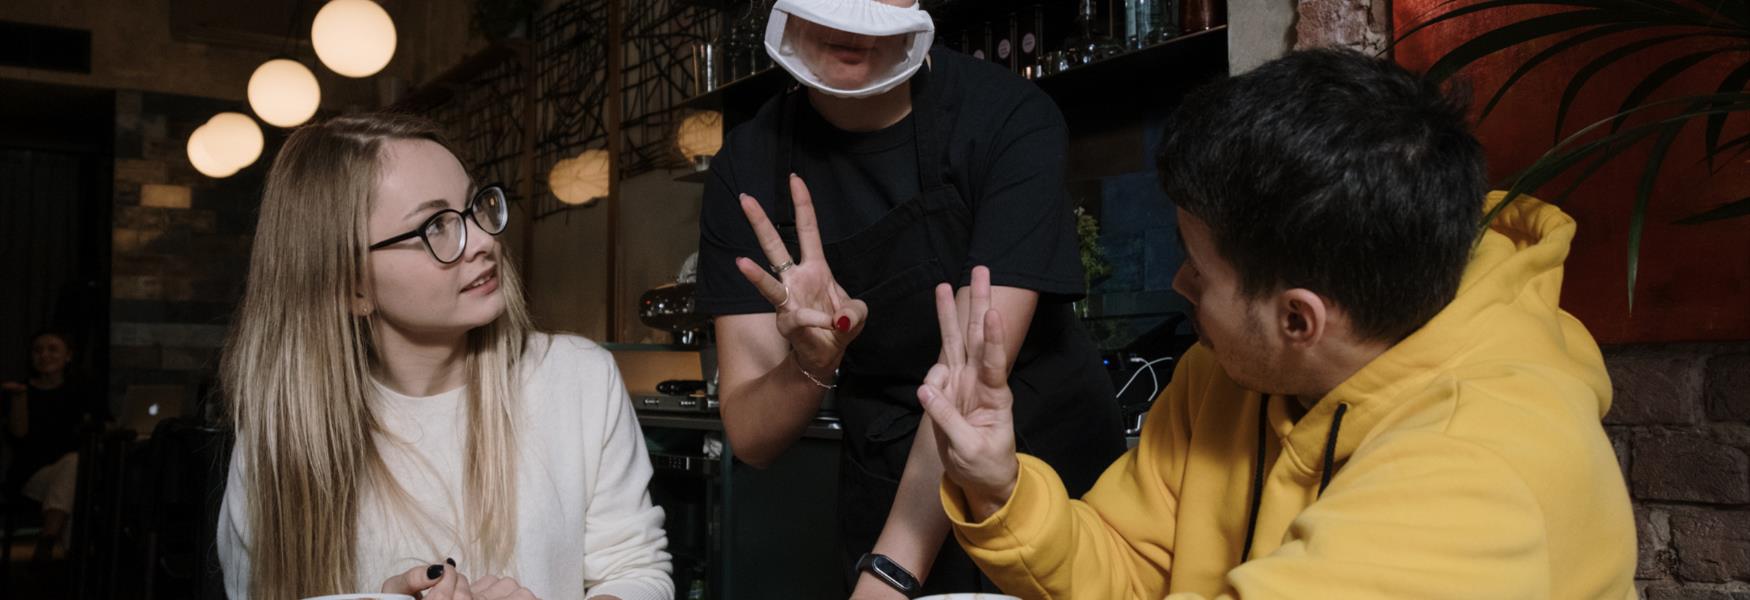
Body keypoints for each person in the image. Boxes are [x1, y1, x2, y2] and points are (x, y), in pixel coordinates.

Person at [917, 49, 1638, 599]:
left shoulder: (1482, 464)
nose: (1178, 284)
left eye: (1198, 265)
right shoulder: (1225, 373)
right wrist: (1000, 488)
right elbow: (1130, 559)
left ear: (1298, 318)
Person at [695, 0, 1125, 596]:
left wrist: (890, 569)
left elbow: (971, 367)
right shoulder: (748, 166)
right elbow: (750, 435)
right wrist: (811, 364)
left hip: (1047, 472)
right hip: (892, 473)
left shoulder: (1006, 116)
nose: (851, 20)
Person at [216, 113, 673, 600]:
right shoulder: (282, 435)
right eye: (435, 226)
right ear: (350, 287)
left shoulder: (578, 379)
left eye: (475, 206)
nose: (482, 241)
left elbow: (636, 572)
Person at [1, 330, 110, 562]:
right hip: (31, 475)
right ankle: (52, 543)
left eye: (52, 349)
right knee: (74, 470)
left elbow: (104, 423)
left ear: (68, 356)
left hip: (72, 475)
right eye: (38, 350)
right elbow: (19, 434)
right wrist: (18, 398)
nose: (44, 355)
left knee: (73, 474)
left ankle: (54, 556)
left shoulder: (81, 390)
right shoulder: (20, 390)